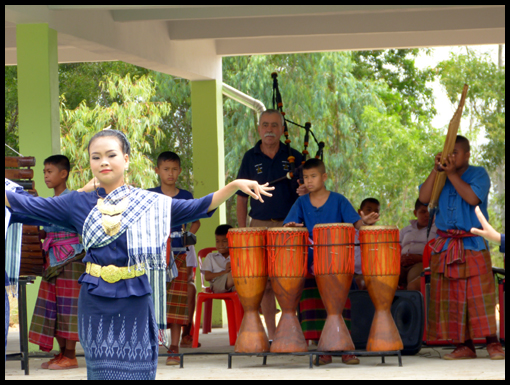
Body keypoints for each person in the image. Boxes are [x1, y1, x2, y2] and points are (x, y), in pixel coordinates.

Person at [5, 128, 274, 380]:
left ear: (126, 159)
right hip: (94, 299)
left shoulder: (149, 203)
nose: (104, 162)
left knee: (139, 368)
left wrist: (234, 185)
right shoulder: (76, 202)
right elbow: (29, 205)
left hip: (135, 295)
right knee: (100, 371)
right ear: (90, 163)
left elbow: (195, 207)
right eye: (96, 157)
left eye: (111, 155)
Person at [284, 158, 380, 366]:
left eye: (313, 176)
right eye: (306, 178)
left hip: (337, 263)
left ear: (324, 177)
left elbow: (357, 224)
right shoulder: (300, 202)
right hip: (312, 263)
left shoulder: (338, 200)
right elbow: (289, 226)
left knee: (339, 305)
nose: (309, 181)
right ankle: (323, 350)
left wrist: (365, 223)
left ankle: (346, 350)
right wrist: (293, 227)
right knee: (316, 303)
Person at [419, 135, 504, 360]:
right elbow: (424, 197)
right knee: (453, 297)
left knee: (480, 295)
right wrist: (436, 170)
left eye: (456, 152)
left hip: (473, 242)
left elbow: (472, 198)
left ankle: (492, 343)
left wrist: (451, 174)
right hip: (446, 244)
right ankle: (464, 345)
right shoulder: (440, 176)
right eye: (449, 152)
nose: (452, 156)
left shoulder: (479, 174)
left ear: (467, 154)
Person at [236, 109, 304, 340]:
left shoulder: (295, 156)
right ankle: (273, 334)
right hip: (258, 226)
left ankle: (291, 329)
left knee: (288, 280)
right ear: (258, 128)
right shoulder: (250, 157)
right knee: (263, 282)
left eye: (275, 125)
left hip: (289, 228)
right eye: (265, 125)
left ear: (282, 129)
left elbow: (307, 191)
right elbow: (241, 197)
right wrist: (244, 230)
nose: (269, 130)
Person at [27, 155, 86, 370]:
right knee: (56, 307)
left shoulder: (73, 199)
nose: (45, 175)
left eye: (49, 171)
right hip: (53, 259)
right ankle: (62, 353)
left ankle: (70, 355)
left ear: (64, 174)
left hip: (72, 258)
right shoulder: (51, 201)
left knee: (69, 308)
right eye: (44, 172)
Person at [148, 151, 201, 364]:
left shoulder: (186, 196)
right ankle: (151, 348)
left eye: (174, 169)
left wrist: (190, 235)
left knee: (176, 303)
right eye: (166, 169)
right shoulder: (149, 195)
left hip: (179, 254)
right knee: (152, 302)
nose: (170, 174)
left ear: (179, 171)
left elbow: (196, 221)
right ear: (157, 171)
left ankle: (174, 348)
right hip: (154, 257)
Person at [398, 199, 438, 291]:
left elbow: (439, 253)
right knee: (388, 277)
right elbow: (396, 248)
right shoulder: (405, 230)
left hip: (422, 263)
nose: (427, 215)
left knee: (413, 282)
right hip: (402, 263)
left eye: (430, 211)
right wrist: (400, 260)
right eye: (423, 211)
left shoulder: (437, 230)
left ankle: (410, 304)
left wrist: (419, 258)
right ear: (415, 213)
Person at [353, 198, 381, 290]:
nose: (372, 213)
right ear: (359, 212)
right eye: (369, 210)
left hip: (371, 275)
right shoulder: (349, 232)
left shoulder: (380, 235)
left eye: (376, 211)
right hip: (349, 273)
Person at [201, 225, 236, 294]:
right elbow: (207, 277)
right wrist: (225, 272)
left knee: (244, 289)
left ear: (233, 241)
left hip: (234, 285)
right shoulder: (211, 257)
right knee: (235, 275)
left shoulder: (237, 256)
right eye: (217, 241)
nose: (221, 245)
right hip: (217, 284)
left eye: (224, 241)